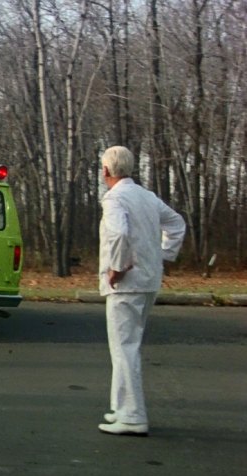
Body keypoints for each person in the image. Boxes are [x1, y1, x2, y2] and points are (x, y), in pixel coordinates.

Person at [97, 146, 186, 437]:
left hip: (126, 284)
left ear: (108, 171)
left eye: (102, 167)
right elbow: (176, 223)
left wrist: (118, 267)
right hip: (148, 280)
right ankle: (121, 408)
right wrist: (163, 255)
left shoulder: (114, 198)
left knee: (124, 349)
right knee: (127, 346)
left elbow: (119, 233)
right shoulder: (147, 196)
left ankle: (133, 416)